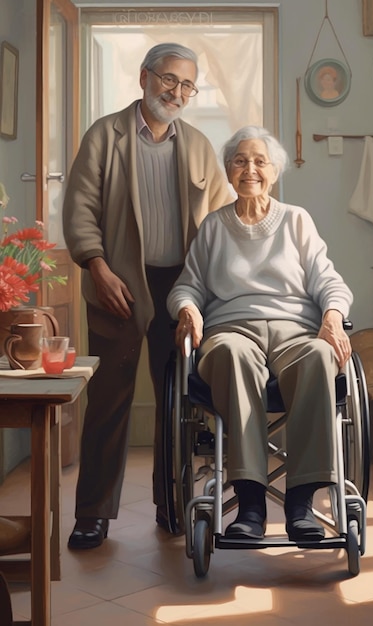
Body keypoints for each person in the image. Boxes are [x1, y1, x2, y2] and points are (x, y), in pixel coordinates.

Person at [63, 42, 233, 549]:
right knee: (108, 401)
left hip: (180, 290)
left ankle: (172, 504)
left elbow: (222, 218)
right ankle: (92, 514)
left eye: (186, 85)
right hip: (117, 282)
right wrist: (97, 267)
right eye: (168, 80)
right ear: (144, 78)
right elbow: (80, 209)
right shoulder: (105, 135)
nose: (176, 92)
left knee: (178, 401)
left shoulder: (199, 144)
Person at [167, 125, 353, 542]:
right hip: (231, 330)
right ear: (229, 171)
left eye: (259, 161)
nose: (249, 168)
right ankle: (250, 505)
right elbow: (188, 284)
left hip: (295, 331)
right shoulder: (214, 227)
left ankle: (300, 504)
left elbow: (330, 282)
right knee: (232, 356)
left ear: (274, 171)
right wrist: (188, 308)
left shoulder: (296, 220)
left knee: (320, 357)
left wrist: (333, 316)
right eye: (239, 160)